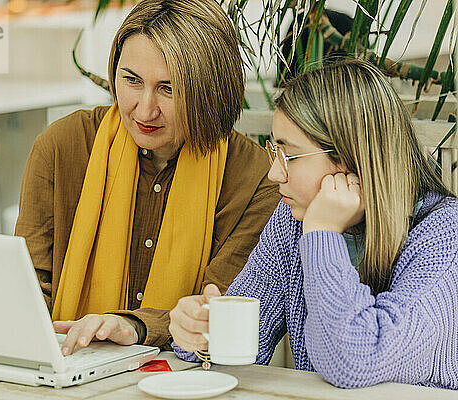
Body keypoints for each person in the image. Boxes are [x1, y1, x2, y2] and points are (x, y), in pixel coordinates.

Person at [169, 59, 458, 390]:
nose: (274, 173)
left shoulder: (445, 236)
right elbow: (245, 342)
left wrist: (322, 234)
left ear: (351, 160)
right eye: (273, 151)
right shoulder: (293, 219)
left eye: (289, 156)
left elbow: (354, 363)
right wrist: (198, 332)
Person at [15, 0, 280, 355]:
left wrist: (135, 326)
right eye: (132, 81)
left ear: (209, 89)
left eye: (168, 89)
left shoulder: (256, 177)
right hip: (68, 365)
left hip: (186, 378)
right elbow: (27, 291)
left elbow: (216, 314)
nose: (144, 109)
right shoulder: (62, 147)